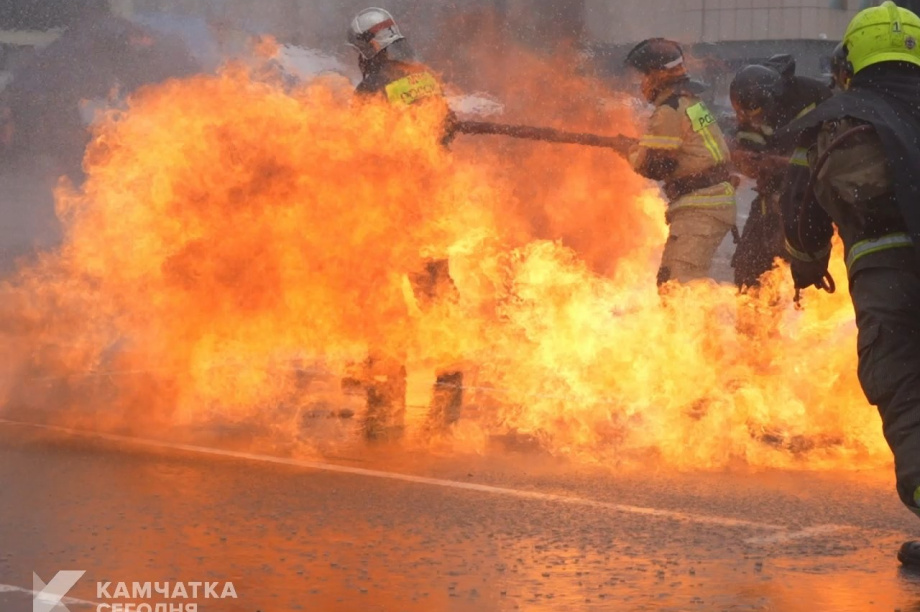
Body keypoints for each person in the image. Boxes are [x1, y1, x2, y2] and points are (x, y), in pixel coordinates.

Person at [776, 1, 920, 566]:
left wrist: (808, 264)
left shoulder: (835, 116)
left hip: (887, 277)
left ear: (851, 59)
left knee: (906, 386)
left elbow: (802, 207)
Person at [344, 8, 463, 440]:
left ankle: (385, 403)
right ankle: (449, 399)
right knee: (438, 299)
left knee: (383, 304)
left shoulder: (373, 87)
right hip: (431, 206)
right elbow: (445, 133)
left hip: (390, 211)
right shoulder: (425, 78)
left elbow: (361, 152)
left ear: (368, 47)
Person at [623, 38, 737, 288]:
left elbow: (654, 167)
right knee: (676, 284)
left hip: (702, 208)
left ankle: (707, 327)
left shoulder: (669, 110)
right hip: (710, 203)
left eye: (642, 75)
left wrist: (628, 151)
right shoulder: (689, 101)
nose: (640, 83)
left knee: (679, 287)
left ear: (657, 75)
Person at [728, 56, 833, 291]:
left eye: (752, 114)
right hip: (770, 199)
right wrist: (746, 160)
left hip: (811, 203)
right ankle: (752, 322)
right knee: (749, 268)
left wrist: (780, 163)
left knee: (807, 274)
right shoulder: (751, 99)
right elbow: (749, 145)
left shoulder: (816, 101)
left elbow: (830, 160)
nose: (746, 119)